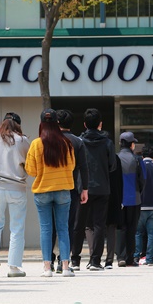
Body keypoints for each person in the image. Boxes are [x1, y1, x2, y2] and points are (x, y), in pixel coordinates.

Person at [25, 109, 75, 277]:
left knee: (46, 229)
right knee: (63, 229)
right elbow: (72, 166)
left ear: (42, 124)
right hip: (63, 190)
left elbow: (30, 170)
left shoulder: (36, 144)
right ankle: (66, 267)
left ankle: (47, 268)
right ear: (57, 123)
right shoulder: (66, 143)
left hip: (42, 191)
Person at [0, 112, 31, 278]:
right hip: (17, 188)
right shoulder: (22, 140)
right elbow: (28, 162)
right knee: (17, 228)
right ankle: (14, 267)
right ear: (18, 124)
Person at [71, 108, 115, 271]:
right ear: (100, 125)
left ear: (84, 124)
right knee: (99, 225)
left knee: (79, 224)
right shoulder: (107, 143)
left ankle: (75, 260)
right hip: (102, 187)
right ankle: (95, 261)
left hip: (82, 187)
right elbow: (112, 165)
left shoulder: (79, 141)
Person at [55, 109, 88, 273]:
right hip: (71, 187)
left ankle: (49, 260)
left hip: (50, 186)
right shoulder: (77, 141)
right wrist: (85, 189)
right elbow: (83, 166)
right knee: (67, 226)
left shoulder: (48, 140)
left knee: (50, 226)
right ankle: (63, 260)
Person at [116, 132, 145, 267]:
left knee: (120, 228)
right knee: (132, 229)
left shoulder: (115, 158)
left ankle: (120, 257)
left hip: (119, 199)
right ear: (132, 144)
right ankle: (130, 258)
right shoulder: (138, 159)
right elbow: (143, 180)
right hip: (134, 198)